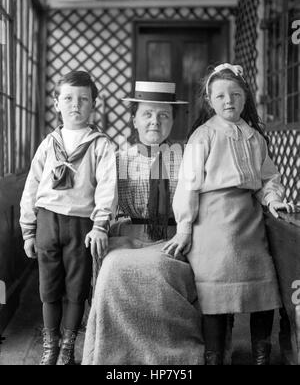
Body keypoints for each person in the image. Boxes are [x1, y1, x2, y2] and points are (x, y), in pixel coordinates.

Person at [163, 63, 297, 365]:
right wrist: (184, 226)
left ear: (245, 99)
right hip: (211, 224)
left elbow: (268, 178)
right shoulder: (203, 136)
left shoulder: (254, 138)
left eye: (235, 95)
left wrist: (274, 200)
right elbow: (188, 183)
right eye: (220, 95)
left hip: (248, 222)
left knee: (264, 289)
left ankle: (261, 354)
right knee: (215, 295)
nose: (228, 101)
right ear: (209, 100)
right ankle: (214, 355)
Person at [82, 81, 204, 365]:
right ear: (134, 119)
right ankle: (115, 355)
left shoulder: (188, 156)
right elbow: (105, 201)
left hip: (174, 239)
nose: (155, 121)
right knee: (113, 267)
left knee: (161, 268)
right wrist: (99, 226)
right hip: (128, 235)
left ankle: (171, 357)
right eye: (147, 114)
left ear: (173, 120)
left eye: (164, 115)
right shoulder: (118, 158)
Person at [19, 71, 117, 365]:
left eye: (84, 99)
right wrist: (28, 229)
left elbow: (107, 188)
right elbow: (32, 185)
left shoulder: (101, 145)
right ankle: (50, 346)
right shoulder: (49, 144)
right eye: (68, 98)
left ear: (94, 104)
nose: (76, 105)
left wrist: (100, 224)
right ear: (56, 103)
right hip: (48, 222)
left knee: (76, 288)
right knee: (48, 288)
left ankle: (67, 348)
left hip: (80, 224)